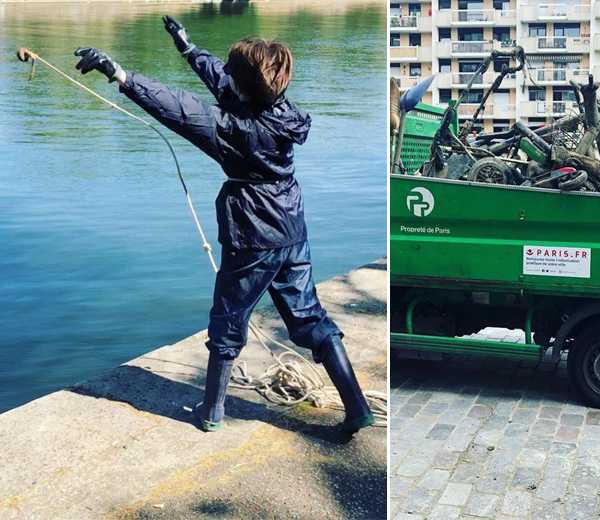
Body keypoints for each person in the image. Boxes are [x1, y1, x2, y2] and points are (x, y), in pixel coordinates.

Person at [73, 16, 375, 435]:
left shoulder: (232, 128)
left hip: (252, 232)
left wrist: (119, 74)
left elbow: (177, 105)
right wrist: (188, 48)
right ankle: (357, 407)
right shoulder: (279, 110)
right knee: (309, 318)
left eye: (232, 74)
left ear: (244, 86)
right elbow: (225, 81)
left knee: (228, 320)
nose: (225, 79)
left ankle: (211, 413)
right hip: (291, 227)